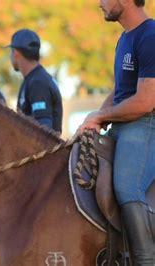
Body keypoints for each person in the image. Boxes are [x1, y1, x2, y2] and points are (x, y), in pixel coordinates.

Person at [77, 0, 155, 263]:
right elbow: (120, 91)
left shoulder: (150, 36)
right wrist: (94, 119)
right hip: (121, 125)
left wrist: (101, 115)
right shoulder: (125, 38)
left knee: (126, 186)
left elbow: (146, 101)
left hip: (146, 123)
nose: (100, 4)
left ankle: (146, 260)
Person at [7, 29, 63, 133]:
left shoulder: (38, 82)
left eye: (11, 51)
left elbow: (45, 132)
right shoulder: (33, 79)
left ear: (16, 53)